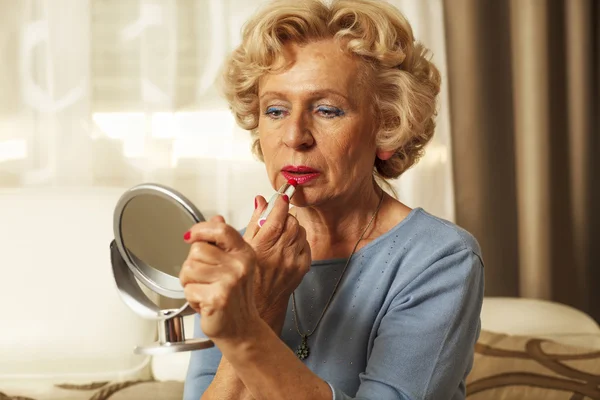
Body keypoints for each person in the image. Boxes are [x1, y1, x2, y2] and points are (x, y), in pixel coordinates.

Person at [180, 0, 484, 399]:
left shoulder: (440, 258)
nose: (294, 136)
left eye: (326, 110)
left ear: (387, 127)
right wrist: (262, 304)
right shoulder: (236, 259)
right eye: (275, 110)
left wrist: (245, 326)